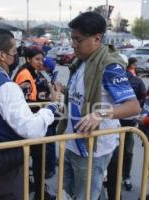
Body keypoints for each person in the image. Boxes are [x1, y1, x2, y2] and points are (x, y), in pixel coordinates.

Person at [0, 28, 61, 200]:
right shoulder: (5, 86)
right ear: (2, 55)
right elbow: (31, 129)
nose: (16, 56)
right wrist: (51, 108)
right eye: (14, 52)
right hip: (7, 162)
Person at [57, 12, 141, 200]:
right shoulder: (82, 62)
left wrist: (100, 114)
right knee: (72, 192)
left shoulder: (109, 67)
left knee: (86, 195)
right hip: (72, 142)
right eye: (72, 39)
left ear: (97, 38)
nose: (73, 44)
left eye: (77, 40)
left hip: (92, 149)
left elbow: (133, 106)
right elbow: (80, 96)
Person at [13, 46, 57, 200]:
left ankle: (38, 191)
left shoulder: (32, 72)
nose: (40, 62)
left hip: (32, 123)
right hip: (29, 125)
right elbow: (26, 103)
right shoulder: (25, 74)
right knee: (37, 161)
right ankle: (38, 193)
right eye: (37, 59)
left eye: (41, 59)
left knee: (36, 160)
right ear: (28, 59)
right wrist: (48, 104)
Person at [105, 56, 146, 199]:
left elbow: (142, 99)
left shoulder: (136, 81)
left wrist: (129, 108)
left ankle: (126, 177)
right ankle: (110, 181)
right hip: (110, 126)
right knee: (111, 158)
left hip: (128, 125)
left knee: (127, 152)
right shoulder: (107, 77)